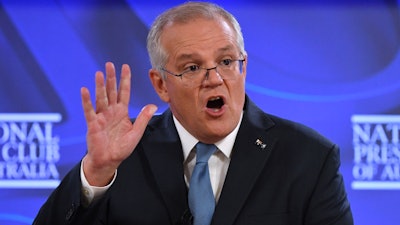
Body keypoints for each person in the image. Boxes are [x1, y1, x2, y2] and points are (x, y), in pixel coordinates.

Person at [33, 2, 353, 225]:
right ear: (160, 85)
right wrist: (96, 172)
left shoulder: (308, 158)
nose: (214, 78)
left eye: (227, 61)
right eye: (192, 67)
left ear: (244, 67)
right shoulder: (124, 156)